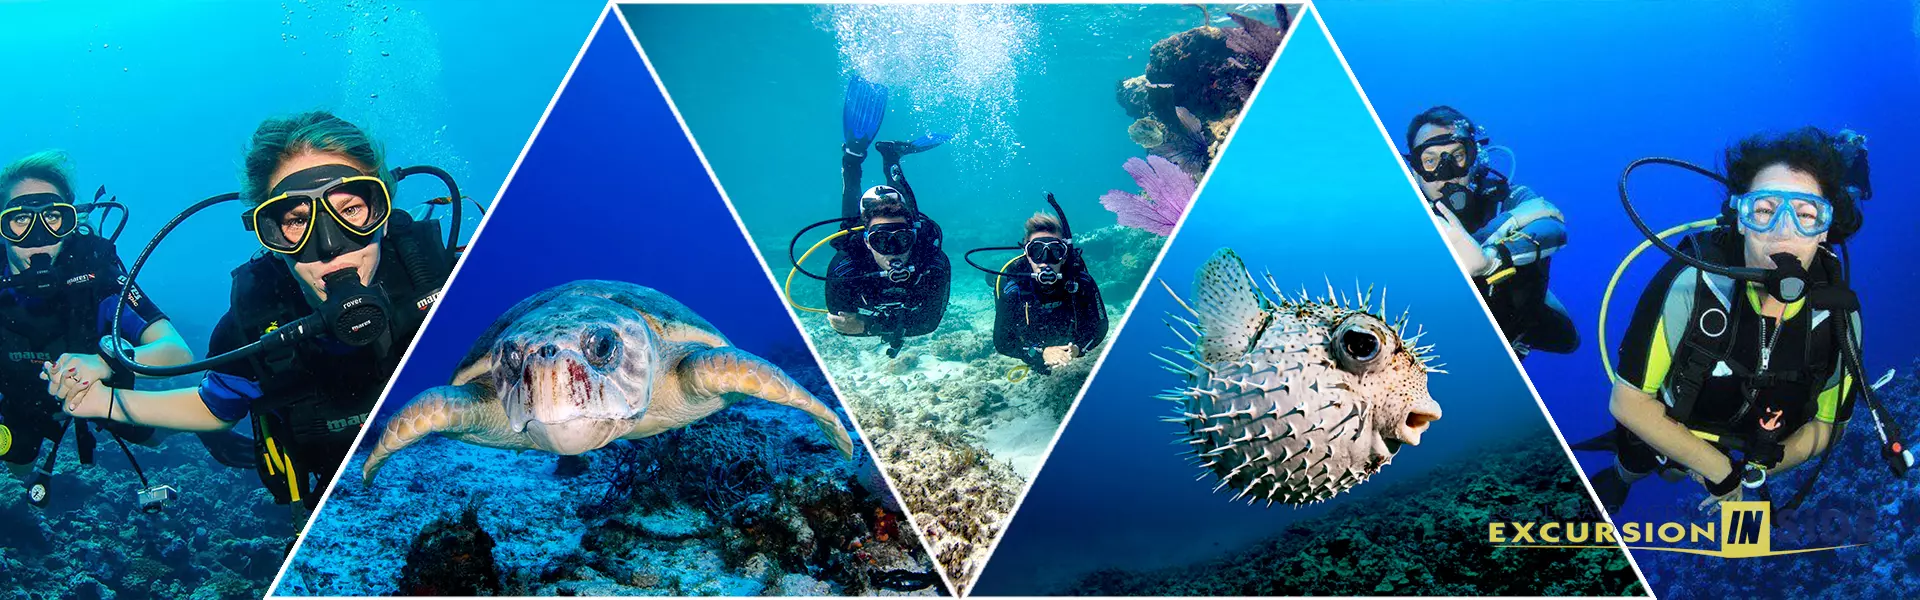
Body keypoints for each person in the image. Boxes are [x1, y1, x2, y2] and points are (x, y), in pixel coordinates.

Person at [51, 111, 455, 513]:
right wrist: (102, 402)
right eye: (298, 220)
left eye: (349, 210)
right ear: (274, 239)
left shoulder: (444, 280)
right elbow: (215, 406)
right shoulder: (258, 317)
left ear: (382, 216)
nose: (331, 245)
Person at [1587, 128, 1864, 513]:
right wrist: (1716, 467)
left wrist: (1763, 466)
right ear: (1741, 220)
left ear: (1825, 232)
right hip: (1672, 425)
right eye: (1764, 211)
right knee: (1644, 461)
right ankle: (1622, 475)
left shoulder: (1837, 315)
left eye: (1806, 215)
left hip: (1760, 443)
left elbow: (1830, 424)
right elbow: (1629, 401)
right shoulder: (1692, 284)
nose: (1784, 230)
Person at [0, 151, 257, 509]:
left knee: (153, 439)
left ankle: (194, 424)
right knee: (17, 465)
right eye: (20, 220)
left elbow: (175, 351)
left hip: (100, 387)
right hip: (20, 395)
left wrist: (105, 362)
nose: (38, 237)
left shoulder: (96, 274)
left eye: (54, 217)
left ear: (71, 223)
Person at [1404, 106, 1578, 359]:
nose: (1447, 172)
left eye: (1457, 156)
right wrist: (1509, 224)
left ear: (1474, 157)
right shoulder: (1405, 220)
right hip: (1450, 344)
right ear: (1414, 170)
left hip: (1520, 325)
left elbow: (1553, 228)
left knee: (1567, 339)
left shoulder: (1506, 197)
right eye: (1430, 160)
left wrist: (1492, 259)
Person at [824, 75, 953, 357]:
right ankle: (872, 158)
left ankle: (862, 155)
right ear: (868, 242)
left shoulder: (932, 263)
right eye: (882, 240)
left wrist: (869, 325)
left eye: (902, 239)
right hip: (864, 234)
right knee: (851, 223)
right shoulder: (846, 267)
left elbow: (930, 323)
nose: (894, 250)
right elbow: (841, 324)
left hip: (910, 231)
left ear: (913, 238)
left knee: (908, 213)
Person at [992, 213, 1107, 375]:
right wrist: (1039, 352)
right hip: (1033, 338)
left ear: (1064, 254)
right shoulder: (1011, 283)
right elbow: (1003, 343)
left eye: (1055, 251)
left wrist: (1078, 349)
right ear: (1026, 253)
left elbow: (1100, 327)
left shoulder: (1080, 280)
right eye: (1037, 251)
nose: (1045, 261)